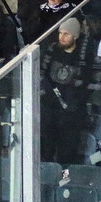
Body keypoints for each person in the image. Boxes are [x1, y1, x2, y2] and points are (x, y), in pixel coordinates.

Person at [40, 17, 92, 164]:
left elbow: (86, 84)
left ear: (75, 36)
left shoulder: (83, 57)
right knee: (46, 153)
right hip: (49, 112)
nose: (61, 37)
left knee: (67, 156)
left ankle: (64, 178)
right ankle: (48, 177)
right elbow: (41, 77)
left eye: (66, 34)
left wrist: (73, 104)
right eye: (60, 33)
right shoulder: (50, 52)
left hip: (71, 116)